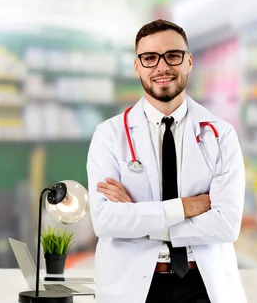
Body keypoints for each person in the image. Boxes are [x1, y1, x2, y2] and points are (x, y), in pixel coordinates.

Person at [86, 19, 247, 303]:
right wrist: (185, 207)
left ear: (189, 61)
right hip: (134, 286)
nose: (162, 67)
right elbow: (106, 221)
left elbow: (226, 225)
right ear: (137, 66)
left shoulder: (220, 134)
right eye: (150, 58)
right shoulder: (109, 135)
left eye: (173, 56)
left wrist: (138, 216)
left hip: (204, 284)